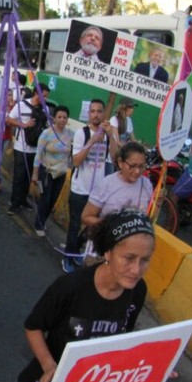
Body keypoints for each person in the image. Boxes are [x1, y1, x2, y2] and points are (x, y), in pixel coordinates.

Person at [0, 209, 155, 382]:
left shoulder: (136, 292)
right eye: (129, 258)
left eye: (145, 260)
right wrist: (48, 366)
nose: (136, 270)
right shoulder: (70, 287)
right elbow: (33, 327)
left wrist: (154, 365)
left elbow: (124, 338)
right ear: (108, 252)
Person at [63, 100, 118, 274]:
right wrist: (93, 141)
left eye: (99, 111)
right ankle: (68, 257)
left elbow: (115, 158)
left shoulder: (107, 135)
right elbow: (76, 161)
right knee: (75, 225)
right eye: (92, 111)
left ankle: (75, 249)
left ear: (103, 114)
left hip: (97, 192)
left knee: (92, 225)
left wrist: (112, 136)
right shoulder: (82, 133)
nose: (96, 114)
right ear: (89, 114)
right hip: (80, 189)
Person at [81, 142, 154, 235]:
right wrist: (112, 227)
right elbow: (86, 217)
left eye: (141, 166)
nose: (137, 171)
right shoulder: (106, 184)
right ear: (120, 162)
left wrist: (158, 204)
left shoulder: (146, 184)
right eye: (132, 166)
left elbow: (148, 218)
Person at [6, 84, 50, 216]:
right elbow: (8, 119)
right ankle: (14, 203)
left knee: (29, 176)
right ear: (37, 93)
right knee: (19, 176)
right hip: (21, 147)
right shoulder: (21, 105)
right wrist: (23, 124)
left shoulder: (45, 109)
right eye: (44, 96)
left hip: (36, 149)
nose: (45, 99)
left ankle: (23, 199)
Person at [32, 105, 72, 237]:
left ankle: (42, 221)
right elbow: (38, 154)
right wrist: (35, 173)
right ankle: (38, 224)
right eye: (59, 117)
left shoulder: (71, 135)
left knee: (53, 200)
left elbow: (72, 153)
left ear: (67, 119)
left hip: (61, 173)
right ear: (54, 118)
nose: (62, 120)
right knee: (46, 199)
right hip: (47, 171)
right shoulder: (46, 133)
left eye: (64, 117)